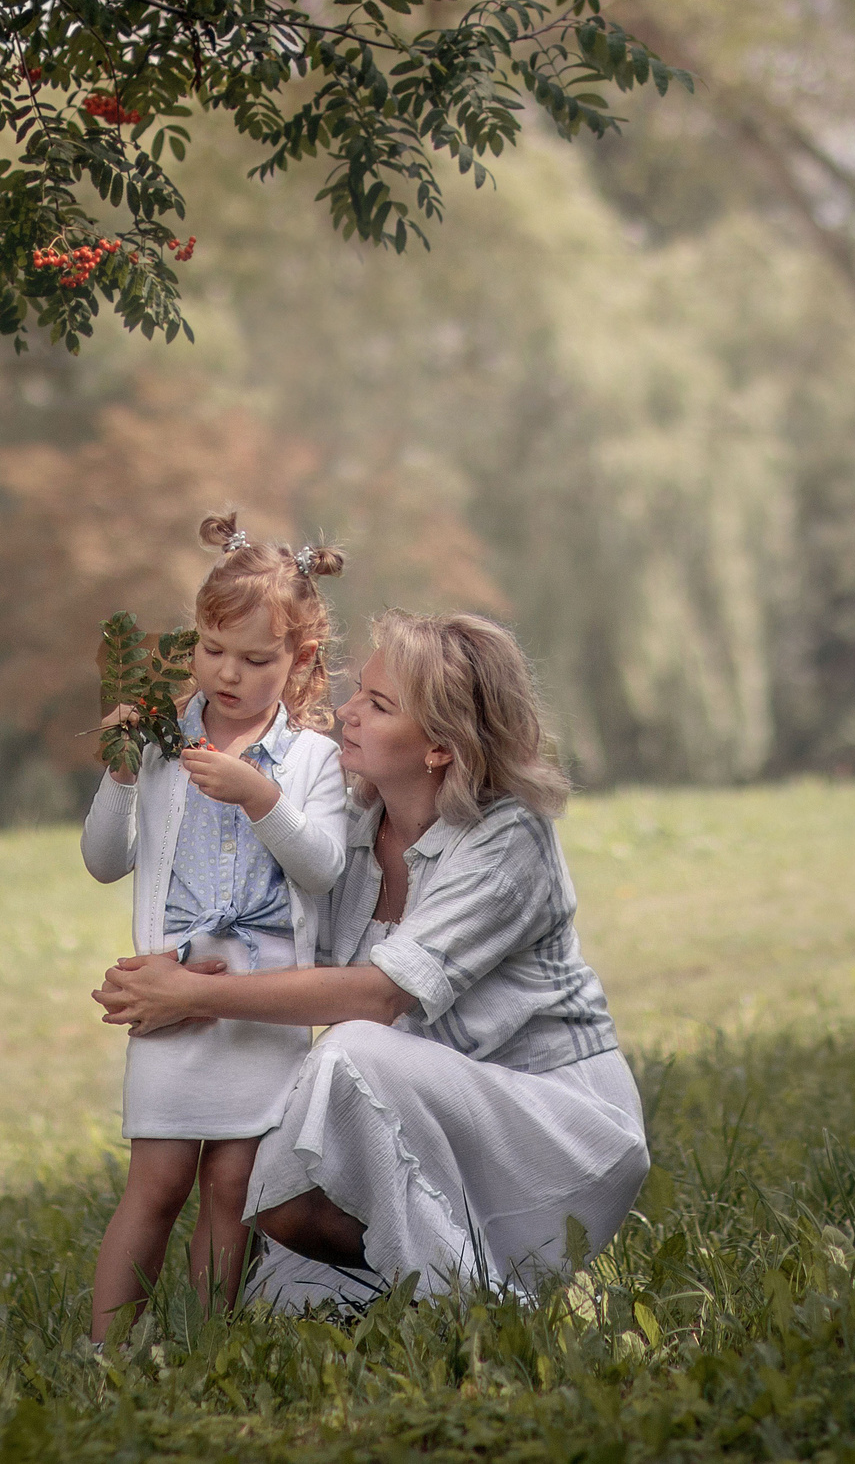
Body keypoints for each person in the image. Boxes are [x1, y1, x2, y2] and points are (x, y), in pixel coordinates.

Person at [95, 611, 648, 1307]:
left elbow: (380, 994)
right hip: (423, 1115)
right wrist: (172, 971)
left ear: (440, 747)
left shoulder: (509, 838)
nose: (346, 713)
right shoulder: (352, 826)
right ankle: (424, 1279)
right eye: (359, 692)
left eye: (379, 705)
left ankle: (483, 1300)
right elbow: (273, 941)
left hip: (547, 1126)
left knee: (350, 1049)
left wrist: (195, 995)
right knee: (281, 1281)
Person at [80, 515, 348, 1341]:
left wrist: (259, 796)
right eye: (211, 648)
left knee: (234, 1186)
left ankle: (206, 1345)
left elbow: (324, 867)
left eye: (256, 659)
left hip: (261, 1008)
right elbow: (102, 859)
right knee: (157, 1182)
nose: (227, 672)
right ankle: (104, 1350)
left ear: (298, 661)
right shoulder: (164, 744)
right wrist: (121, 776)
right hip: (174, 993)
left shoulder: (311, 761)